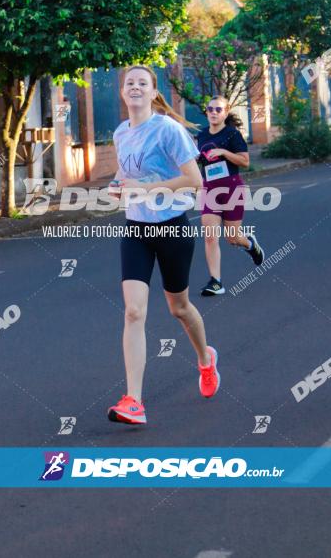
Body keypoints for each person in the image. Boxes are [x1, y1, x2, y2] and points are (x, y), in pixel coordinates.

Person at [107, 65, 220, 426]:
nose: (135, 87)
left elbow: (194, 180)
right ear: (123, 92)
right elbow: (126, 175)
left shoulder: (168, 130)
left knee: (180, 308)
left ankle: (205, 359)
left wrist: (145, 190)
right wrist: (117, 185)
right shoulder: (121, 132)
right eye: (130, 83)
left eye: (143, 83)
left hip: (172, 227)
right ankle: (133, 401)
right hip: (136, 228)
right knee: (133, 312)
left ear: (154, 92)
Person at [197, 96, 265, 296]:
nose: (214, 112)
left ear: (226, 113)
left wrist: (223, 152)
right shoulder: (201, 135)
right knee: (210, 237)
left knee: (233, 238)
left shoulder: (232, 134)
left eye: (218, 109)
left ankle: (251, 245)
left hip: (231, 188)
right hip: (210, 188)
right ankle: (216, 282)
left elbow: (244, 161)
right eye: (210, 109)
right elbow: (198, 160)